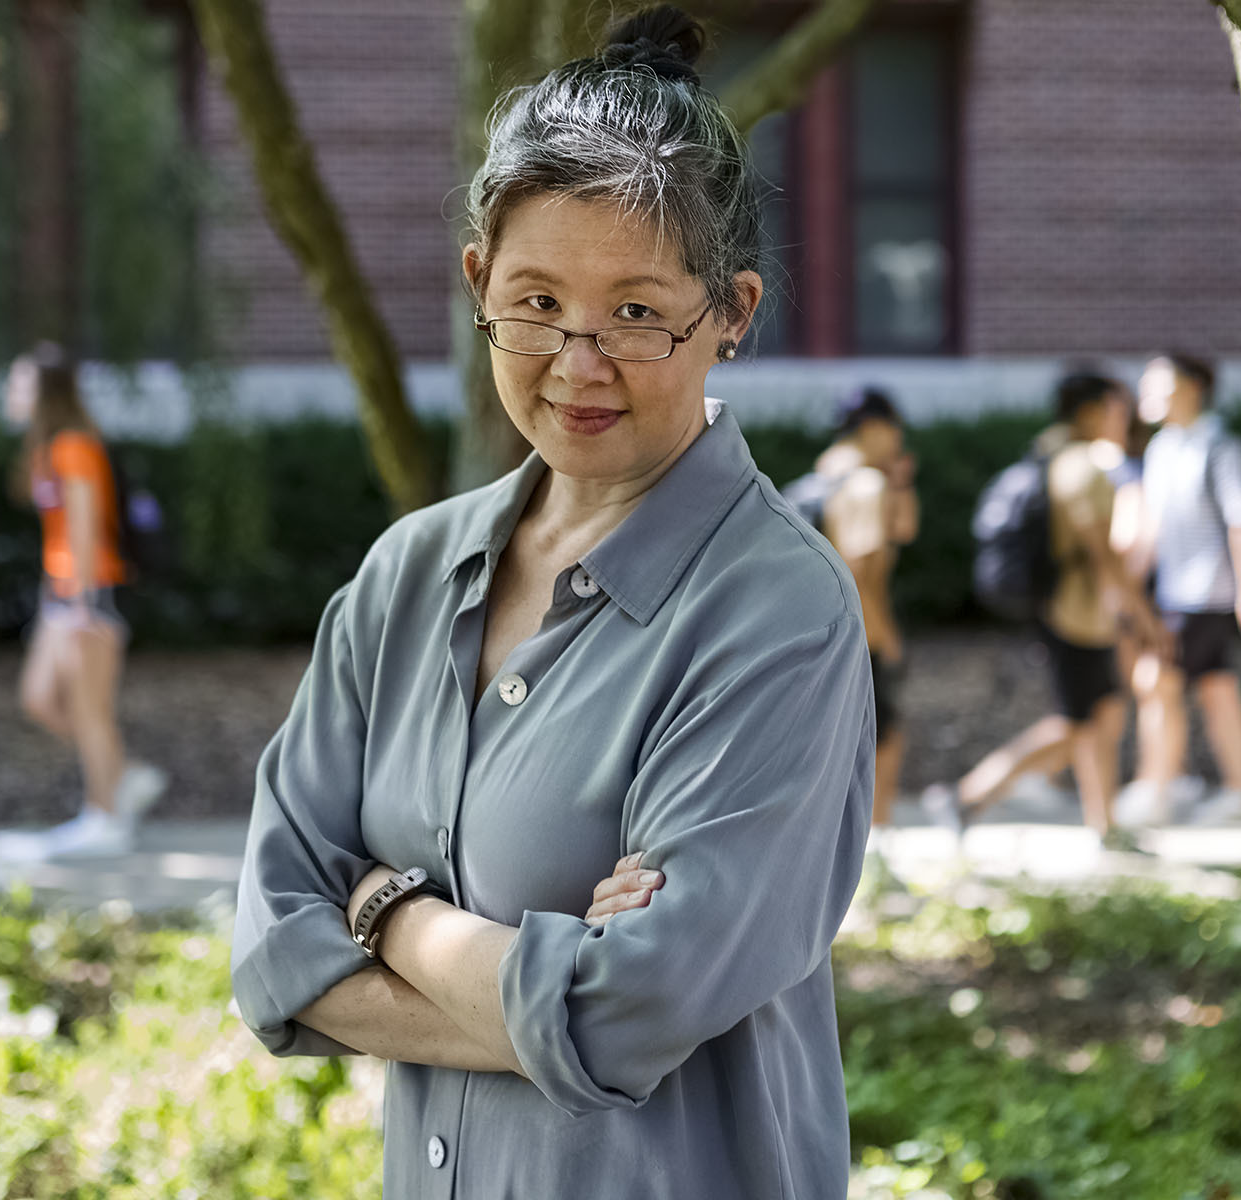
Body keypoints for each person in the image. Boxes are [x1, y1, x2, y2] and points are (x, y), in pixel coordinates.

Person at [230, 10, 872, 1196]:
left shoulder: (778, 611)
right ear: (480, 282)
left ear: (731, 313)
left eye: (637, 313)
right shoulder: (406, 578)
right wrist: (552, 984)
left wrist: (379, 909)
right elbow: (272, 947)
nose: (578, 363)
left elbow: (637, 1005)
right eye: (535, 303)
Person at [928, 371, 1164, 846]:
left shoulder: (1049, 451)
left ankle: (1105, 826)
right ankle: (966, 796)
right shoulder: (1083, 466)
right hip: (1074, 616)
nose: (1126, 419)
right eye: (1118, 409)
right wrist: (1146, 621)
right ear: (1091, 411)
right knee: (1078, 723)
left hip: (1074, 612)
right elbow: (1105, 558)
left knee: (1101, 717)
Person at [0, 344, 165, 862]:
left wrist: (84, 602)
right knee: (40, 698)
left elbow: (87, 526)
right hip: (62, 594)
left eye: (19, 383)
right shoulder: (50, 448)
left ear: (46, 392)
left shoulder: (74, 446)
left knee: (90, 711)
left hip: (91, 593)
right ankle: (123, 776)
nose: (11, 392)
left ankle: (105, 817)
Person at [1118, 352, 1241, 825]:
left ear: (1191, 388)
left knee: (1157, 683)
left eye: (1157, 384)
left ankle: (1157, 789)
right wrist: (1124, 588)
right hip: (1174, 594)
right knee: (1216, 688)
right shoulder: (1162, 448)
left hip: (1204, 594)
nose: (1145, 393)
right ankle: (1240, 788)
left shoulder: (1220, 446)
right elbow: (1149, 531)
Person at [795, 387, 918, 831]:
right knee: (882, 741)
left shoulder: (825, 473)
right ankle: (874, 845)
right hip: (858, 636)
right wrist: (887, 639)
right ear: (873, 428)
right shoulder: (867, 484)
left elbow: (903, 529)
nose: (900, 437)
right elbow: (858, 572)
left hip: (813, 630)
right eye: (894, 427)